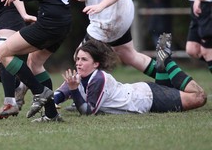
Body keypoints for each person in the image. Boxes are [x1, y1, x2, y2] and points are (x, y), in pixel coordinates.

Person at [55, 36, 206, 115]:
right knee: (168, 88)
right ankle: (161, 67)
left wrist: (74, 90)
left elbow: (88, 112)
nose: (78, 63)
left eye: (84, 59)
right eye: (77, 59)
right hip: (142, 91)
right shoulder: (78, 77)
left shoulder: (98, 78)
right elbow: (59, 94)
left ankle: (166, 61)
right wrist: (52, 101)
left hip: (148, 99)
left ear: (96, 64)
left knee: (199, 96)